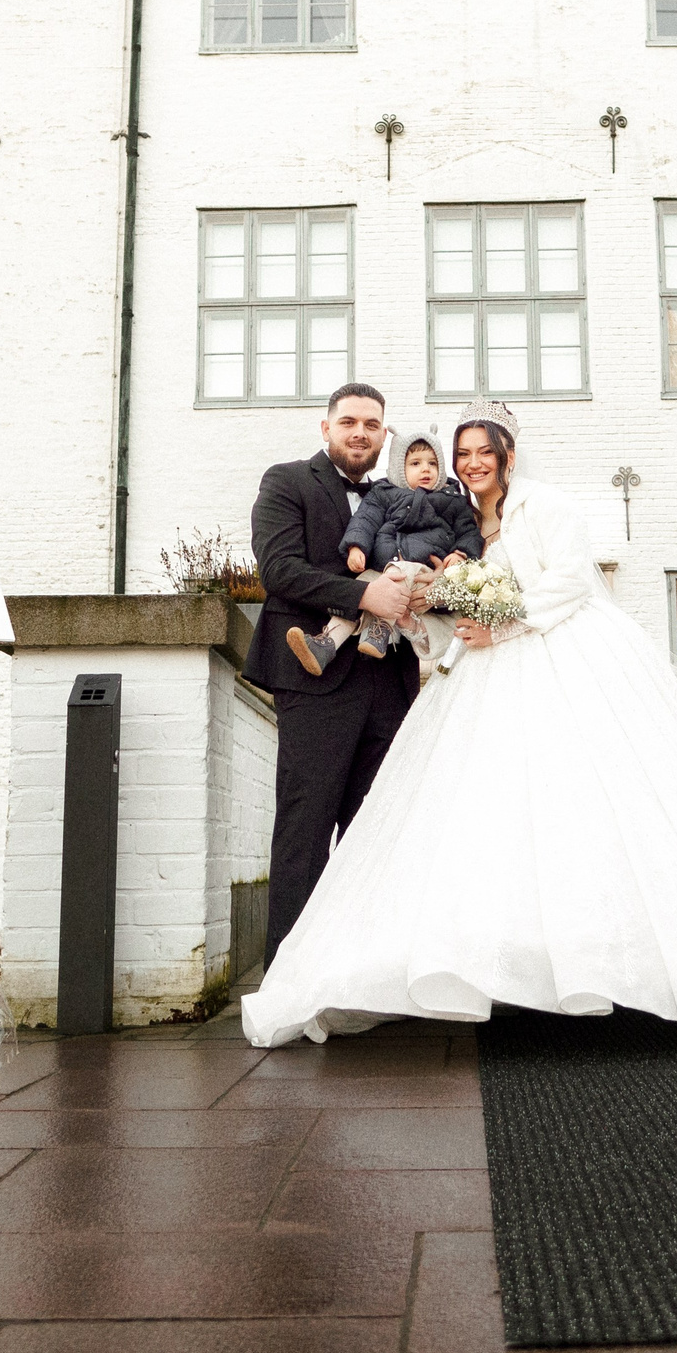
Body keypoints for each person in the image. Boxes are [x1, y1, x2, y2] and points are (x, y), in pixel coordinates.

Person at [242, 397, 677, 1046]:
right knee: (482, 815)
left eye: (484, 451)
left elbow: (570, 581)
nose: (473, 463)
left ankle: (607, 959)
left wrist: (500, 620)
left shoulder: (545, 504)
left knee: (584, 804)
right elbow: (435, 605)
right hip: (470, 672)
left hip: (564, 660)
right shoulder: (461, 527)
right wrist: (440, 607)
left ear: (509, 455)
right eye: (463, 454)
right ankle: (482, 964)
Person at [243, 383, 424, 965]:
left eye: (372, 424)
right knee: (305, 829)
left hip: (389, 682)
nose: (360, 433)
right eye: (349, 422)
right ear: (327, 428)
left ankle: (364, 973)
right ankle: (290, 979)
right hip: (313, 681)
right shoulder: (287, 481)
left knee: (377, 834)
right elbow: (279, 571)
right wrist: (364, 595)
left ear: (384, 434)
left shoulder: (402, 495)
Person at [288, 430, 482, 674]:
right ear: (399, 468)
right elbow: (365, 520)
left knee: (397, 577)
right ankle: (327, 643)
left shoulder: (451, 499)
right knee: (362, 587)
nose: (426, 469)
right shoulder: (384, 493)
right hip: (386, 569)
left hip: (423, 569)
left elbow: (469, 532)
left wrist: (461, 553)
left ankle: (380, 631)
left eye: (432, 463)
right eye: (415, 463)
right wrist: (356, 546)